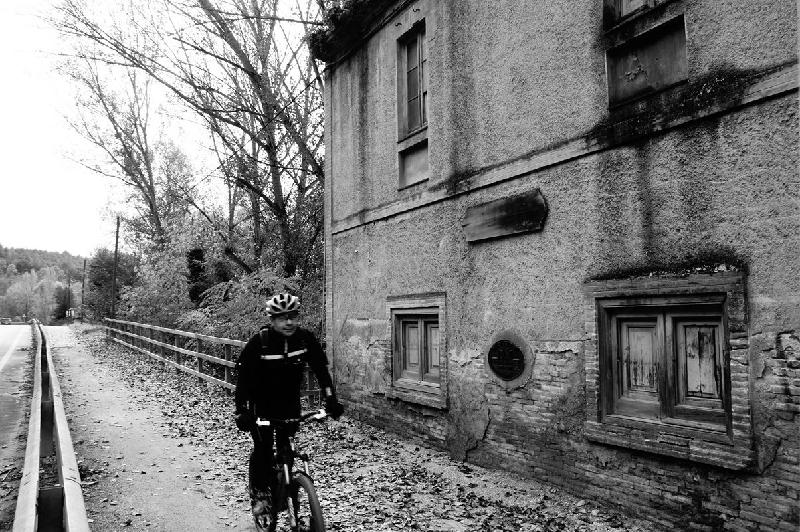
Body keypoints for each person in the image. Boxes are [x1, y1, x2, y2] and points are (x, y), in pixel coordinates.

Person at [234, 292, 344, 523]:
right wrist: (241, 410)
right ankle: (260, 495)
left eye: (292, 316)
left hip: (289, 405)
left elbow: (321, 370)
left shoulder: (304, 339)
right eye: (282, 317)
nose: (289, 322)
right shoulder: (260, 342)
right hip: (261, 406)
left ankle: (287, 489)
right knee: (263, 450)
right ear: (272, 320)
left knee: (287, 451)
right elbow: (243, 377)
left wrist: (330, 399)